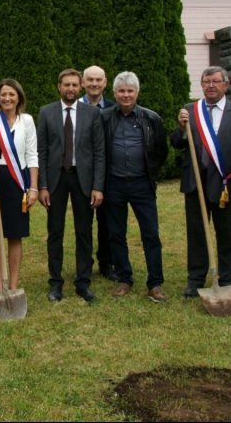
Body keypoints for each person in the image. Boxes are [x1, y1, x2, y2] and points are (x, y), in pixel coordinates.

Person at [170, 66, 231, 298]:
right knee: (196, 232)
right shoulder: (190, 110)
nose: (211, 86)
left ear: (226, 85)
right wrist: (181, 127)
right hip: (196, 182)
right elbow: (176, 143)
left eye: (216, 81)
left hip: (227, 184)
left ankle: (226, 278)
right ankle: (196, 277)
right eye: (206, 81)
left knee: (225, 233)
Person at [37, 69, 105, 303]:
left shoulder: (92, 114)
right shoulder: (46, 112)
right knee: (55, 232)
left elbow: (99, 152)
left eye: (75, 85)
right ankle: (55, 283)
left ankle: (83, 281)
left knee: (84, 232)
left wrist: (98, 186)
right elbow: (42, 151)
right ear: (59, 86)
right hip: (56, 180)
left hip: (82, 179)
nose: (71, 89)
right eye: (66, 85)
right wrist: (43, 185)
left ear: (81, 87)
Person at [101, 72, 169, 303]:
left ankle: (155, 283)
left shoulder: (152, 119)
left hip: (142, 184)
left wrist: (150, 174)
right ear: (114, 93)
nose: (126, 95)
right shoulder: (104, 118)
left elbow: (161, 151)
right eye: (121, 91)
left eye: (130, 91)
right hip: (114, 184)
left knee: (150, 233)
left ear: (137, 93)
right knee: (116, 234)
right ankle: (124, 278)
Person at [0, 79, 39, 293]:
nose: (7, 98)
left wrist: (33, 188)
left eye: (11, 94)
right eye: (3, 94)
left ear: (18, 97)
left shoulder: (27, 121)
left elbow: (32, 155)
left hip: (17, 180)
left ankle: (12, 285)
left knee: (15, 234)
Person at [80, 65, 116, 281]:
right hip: (81, 174)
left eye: (98, 80)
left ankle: (106, 263)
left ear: (105, 82)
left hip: (108, 173)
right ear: (83, 82)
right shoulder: (74, 108)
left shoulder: (113, 108)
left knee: (107, 221)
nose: (94, 84)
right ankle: (84, 263)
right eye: (90, 80)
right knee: (83, 222)